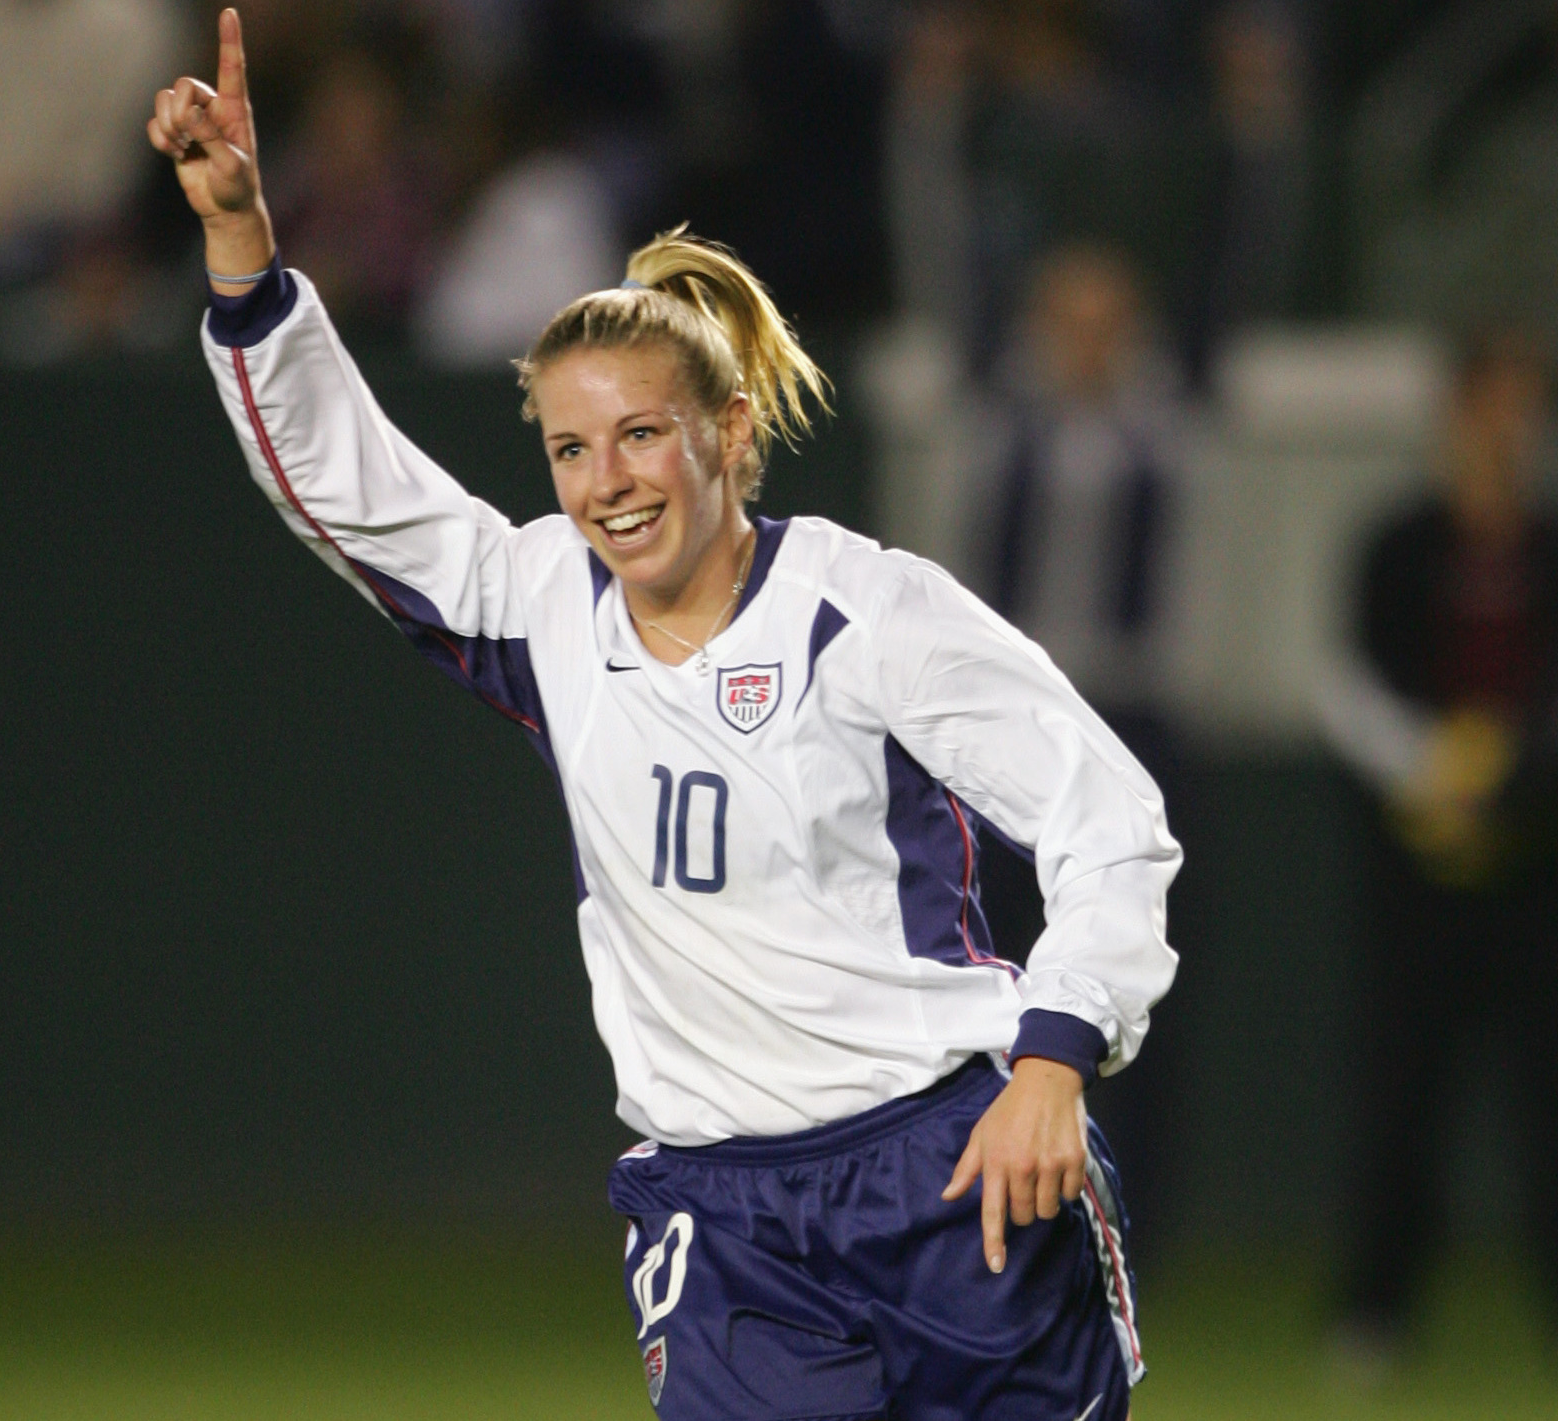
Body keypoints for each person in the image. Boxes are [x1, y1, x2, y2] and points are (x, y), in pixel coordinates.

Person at [148, 13, 1179, 1419]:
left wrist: (1056, 1058)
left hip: (952, 1166)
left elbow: (1107, 816)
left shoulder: (865, 611)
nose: (605, 479)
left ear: (730, 431)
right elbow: (351, 490)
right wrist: (245, 250)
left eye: (641, 433)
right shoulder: (546, 603)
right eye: (570, 447)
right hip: (723, 1214)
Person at [1317, 330, 1558, 1390]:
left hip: (1548, 876)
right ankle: (1372, 1315)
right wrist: (1430, 772)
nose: (1507, 426)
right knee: (1401, 1102)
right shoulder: (1398, 542)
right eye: (1490, 403)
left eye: (1525, 406)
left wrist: (1513, 780)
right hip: (1418, 880)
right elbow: (1350, 686)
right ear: (1454, 415)